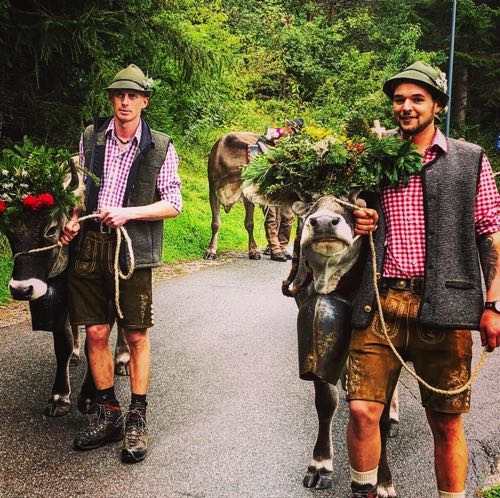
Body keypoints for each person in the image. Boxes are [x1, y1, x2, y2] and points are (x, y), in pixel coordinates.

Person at [345, 61, 500, 498]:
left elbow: (491, 232)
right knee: (360, 410)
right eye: (399, 100)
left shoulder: (469, 160)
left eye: (417, 99)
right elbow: (348, 214)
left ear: (437, 104)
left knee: (446, 422)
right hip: (381, 300)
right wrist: (361, 216)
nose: (406, 107)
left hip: (446, 310)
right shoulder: (374, 157)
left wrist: (493, 305)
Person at [60, 64, 182, 463]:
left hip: (132, 250)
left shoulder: (161, 145)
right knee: (95, 331)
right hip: (90, 246)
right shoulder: (91, 137)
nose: (125, 102)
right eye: (118, 95)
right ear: (111, 100)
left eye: (132, 96)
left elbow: (174, 204)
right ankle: (110, 413)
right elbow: (78, 192)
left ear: (144, 101)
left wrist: (130, 212)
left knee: (135, 336)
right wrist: (70, 220)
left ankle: (137, 417)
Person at [260, 118, 304, 261]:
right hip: (271, 181)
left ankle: (283, 246)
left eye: (294, 129)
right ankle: (274, 247)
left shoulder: (298, 144)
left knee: (287, 216)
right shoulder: (273, 133)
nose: (290, 130)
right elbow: (261, 147)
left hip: (286, 184)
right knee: (272, 215)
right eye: (290, 127)